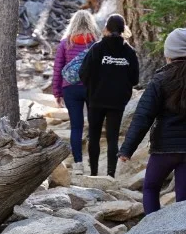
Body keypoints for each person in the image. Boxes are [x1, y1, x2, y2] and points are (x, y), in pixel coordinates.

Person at [118, 28, 186, 214]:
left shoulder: (160, 80)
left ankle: (152, 232)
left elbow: (143, 116)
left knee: (150, 188)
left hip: (165, 149)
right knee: (184, 200)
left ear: (170, 53)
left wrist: (127, 149)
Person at [78, 14, 139, 177]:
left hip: (96, 99)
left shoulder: (97, 48)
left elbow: (83, 73)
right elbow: (135, 79)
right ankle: (111, 175)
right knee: (112, 138)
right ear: (123, 29)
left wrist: (93, 86)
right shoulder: (129, 52)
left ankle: (94, 173)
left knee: (94, 135)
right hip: (118, 101)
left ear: (106, 28)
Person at [52, 10, 99, 175]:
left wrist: (57, 92)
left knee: (76, 127)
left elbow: (58, 68)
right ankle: (94, 165)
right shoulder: (95, 44)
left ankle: (78, 164)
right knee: (94, 127)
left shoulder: (65, 43)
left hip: (70, 88)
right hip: (91, 87)